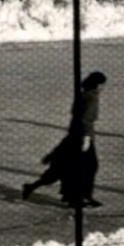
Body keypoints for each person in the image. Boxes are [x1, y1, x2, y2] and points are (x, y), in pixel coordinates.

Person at [22, 72, 107, 208]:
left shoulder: (82, 95)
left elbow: (76, 117)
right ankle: (79, 196)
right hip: (83, 138)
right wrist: (86, 139)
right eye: (102, 84)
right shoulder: (92, 98)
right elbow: (86, 120)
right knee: (87, 167)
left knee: (64, 168)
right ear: (97, 85)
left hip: (74, 135)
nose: (103, 88)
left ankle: (35, 187)